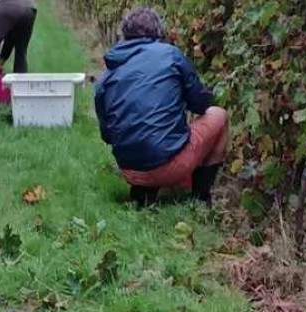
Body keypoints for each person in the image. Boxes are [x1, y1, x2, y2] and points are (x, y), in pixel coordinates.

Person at [94, 8, 228, 205]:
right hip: (167, 165)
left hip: (128, 168)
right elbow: (200, 105)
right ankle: (200, 199)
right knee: (219, 115)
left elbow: (107, 135)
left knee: (153, 139)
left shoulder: (106, 75)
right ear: (158, 33)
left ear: (124, 35)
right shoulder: (170, 55)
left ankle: (143, 191)